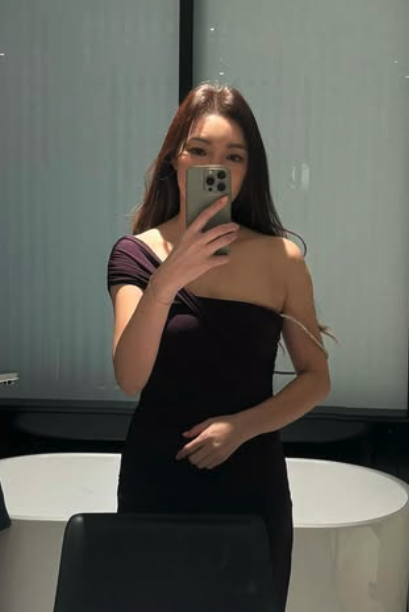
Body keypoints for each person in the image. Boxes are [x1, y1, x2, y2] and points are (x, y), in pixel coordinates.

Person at [107, 82, 330, 610]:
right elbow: (130, 378)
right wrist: (167, 280)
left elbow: (316, 378)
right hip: (158, 479)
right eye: (199, 150)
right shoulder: (136, 255)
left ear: (249, 171)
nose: (216, 166)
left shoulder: (282, 259)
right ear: (175, 159)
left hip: (251, 484)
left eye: (234, 156)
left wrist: (243, 427)